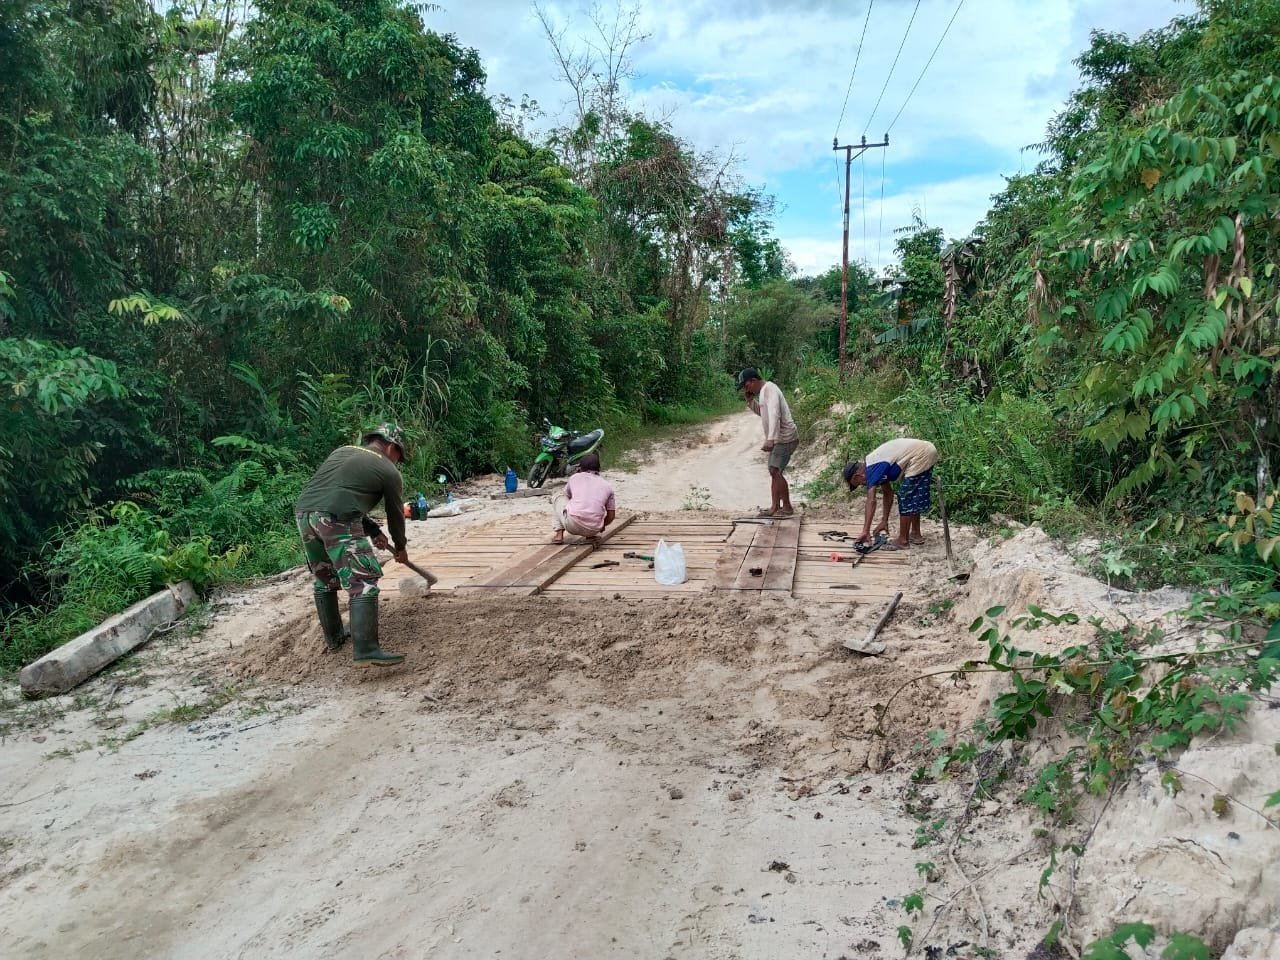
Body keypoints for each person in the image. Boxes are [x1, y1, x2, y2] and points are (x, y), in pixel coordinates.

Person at [294, 422, 411, 667]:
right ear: (392, 448)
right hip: (338, 518)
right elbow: (396, 515)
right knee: (363, 579)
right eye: (399, 457)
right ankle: (367, 650)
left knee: (325, 577)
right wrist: (400, 547)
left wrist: (373, 531)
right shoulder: (389, 471)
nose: (398, 462)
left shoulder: (343, 452)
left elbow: (340, 495)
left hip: (304, 514)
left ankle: (335, 637)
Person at [842, 438, 940, 550]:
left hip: (921, 453)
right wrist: (884, 521)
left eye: (858, 483)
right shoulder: (877, 468)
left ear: (857, 476)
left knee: (905, 497)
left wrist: (865, 531)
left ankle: (903, 541)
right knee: (912, 496)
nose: (863, 485)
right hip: (925, 451)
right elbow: (888, 493)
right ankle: (915, 534)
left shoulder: (871, 468)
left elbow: (871, 500)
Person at [737, 368, 798, 518]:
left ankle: (787, 507)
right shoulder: (764, 392)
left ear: (753, 380)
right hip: (780, 438)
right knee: (774, 471)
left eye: (746, 386)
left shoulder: (770, 389)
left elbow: (775, 414)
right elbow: (764, 413)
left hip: (785, 437)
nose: (746, 389)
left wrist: (770, 438)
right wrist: (751, 402)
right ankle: (775, 507)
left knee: (775, 470)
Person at [550, 452, 616, 544]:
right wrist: (602, 525)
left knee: (557, 496)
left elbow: (566, 496)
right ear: (599, 468)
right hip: (594, 529)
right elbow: (611, 516)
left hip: (572, 525)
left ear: (581, 468)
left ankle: (559, 534)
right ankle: (590, 537)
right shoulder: (608, 486)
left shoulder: (574, 478)